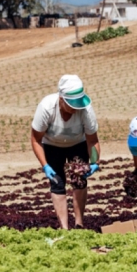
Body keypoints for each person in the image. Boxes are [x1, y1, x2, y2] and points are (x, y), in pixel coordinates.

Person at [30, 75, 100, 230]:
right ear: (61, 98)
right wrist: (45, 165)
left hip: (78, 144)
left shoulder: (85, 110)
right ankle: (64, 228)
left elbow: (92, 140)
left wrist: (94, 161)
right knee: (57, 183)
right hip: (52, 145)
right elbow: (36, 140)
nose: (74, 108)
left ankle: (79, 224)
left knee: (79, 181)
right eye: (71, 104)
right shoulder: (47, 107)